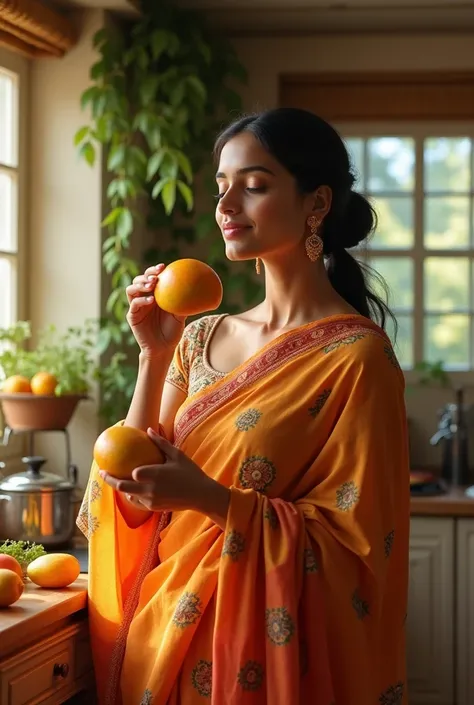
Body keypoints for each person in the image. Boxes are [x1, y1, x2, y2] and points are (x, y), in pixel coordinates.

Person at [77, 107, 410, 705]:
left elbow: (356, 550)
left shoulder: (357, 358)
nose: (226, 205)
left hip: (260, 651)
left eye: (253, 187)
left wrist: (210, 498)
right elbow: (132, 473)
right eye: (221, 188)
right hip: (164, 635)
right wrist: (155, 356)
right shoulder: (201, 336)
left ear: (317, 204)